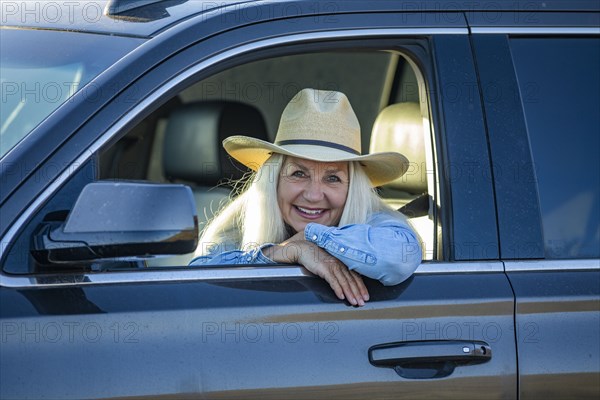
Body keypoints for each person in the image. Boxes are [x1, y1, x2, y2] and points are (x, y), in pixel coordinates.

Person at [190, 88, 422, 306]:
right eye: (298, 173)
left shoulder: (375, 221)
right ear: (274, 179)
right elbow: (196, 281)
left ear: (353, 189)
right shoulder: (239, 224)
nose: (313, 195)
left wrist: (310, 237)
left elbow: (399, 257)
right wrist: (284, 251)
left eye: (333, 178)